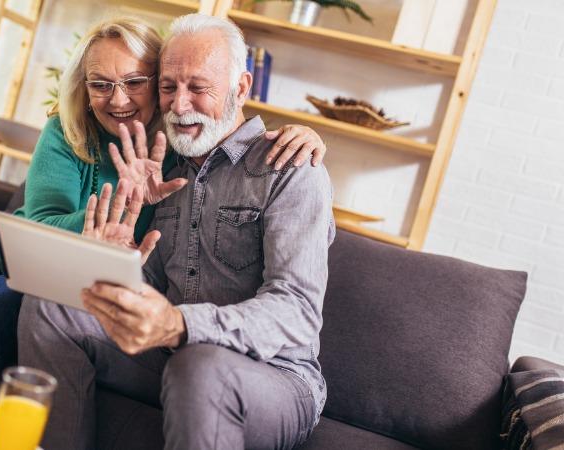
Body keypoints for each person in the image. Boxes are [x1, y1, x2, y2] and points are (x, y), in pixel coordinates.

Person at [0, 16, 328, 404]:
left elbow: (232, 143)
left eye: (136, 82)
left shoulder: (182, 140)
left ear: (157, 82)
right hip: (10, 250)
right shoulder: (70, 128)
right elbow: (37, 223)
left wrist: (304, 135)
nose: (117, 100)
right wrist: (111, 217)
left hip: (69, 283)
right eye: (100, 84)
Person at [19, 13, 335, 450]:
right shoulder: (167, 170)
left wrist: (179, 324)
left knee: (201, 365)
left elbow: (296, 312)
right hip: (173, 353)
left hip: (274, 376)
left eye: (198, 88)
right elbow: (156, 283)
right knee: (50, 307)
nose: (179, 104)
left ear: (241, 88)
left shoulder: (290, 169)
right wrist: (123, 254)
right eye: (168, 87)